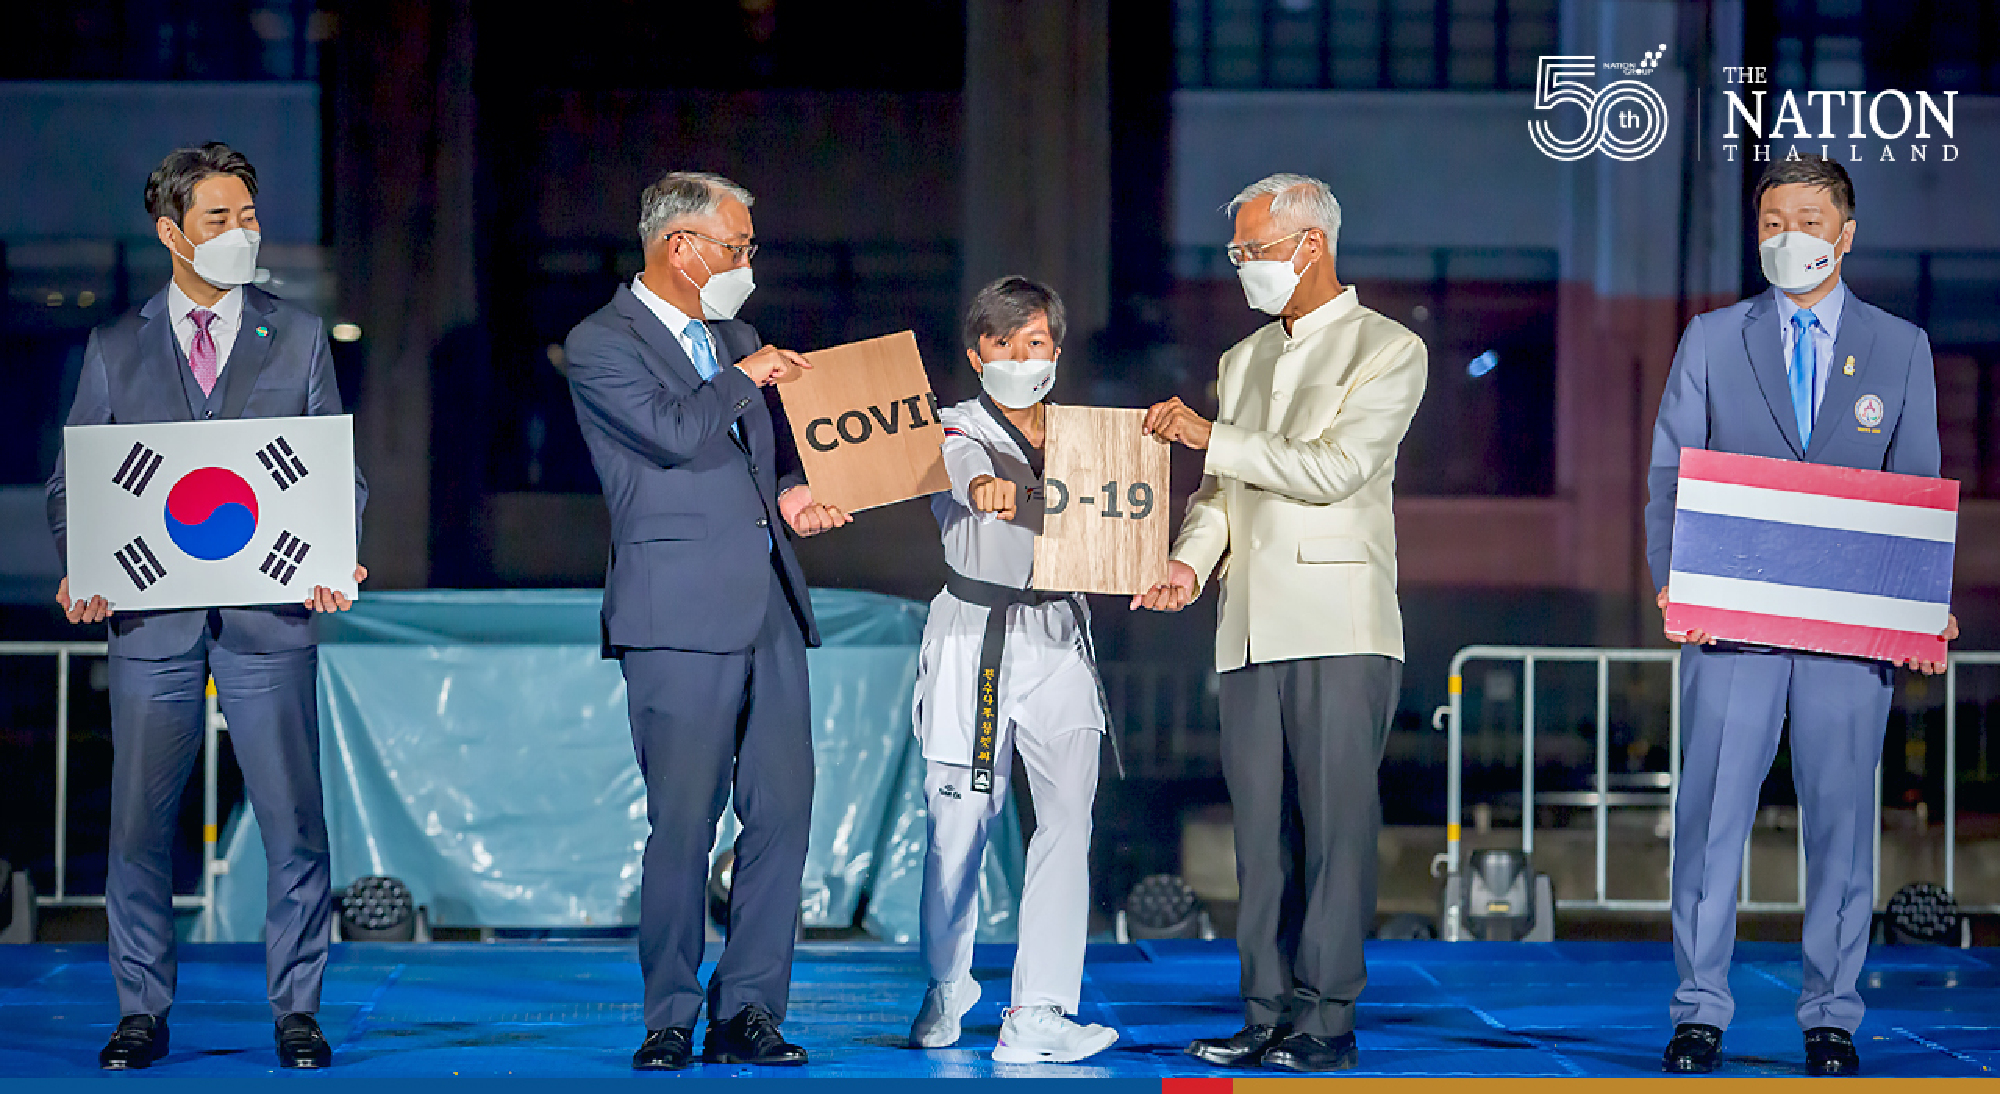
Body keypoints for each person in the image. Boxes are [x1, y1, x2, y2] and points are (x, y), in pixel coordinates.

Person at [46, 142, 368, 1071]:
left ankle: (297, 1009)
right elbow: (75, 484)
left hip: (271, 619)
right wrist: (82, 565)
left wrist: (336, 556)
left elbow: (331, 470)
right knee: (140, 827)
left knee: (294, 821)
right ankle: (142, 1009)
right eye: (219, 219)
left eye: (250, 217)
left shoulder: (298, 335)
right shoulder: (116, 347)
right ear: (171, 233)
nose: (241, 235)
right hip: (151, 623)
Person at [1646, 154, 1953, 1078]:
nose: (1791, 236)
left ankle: (1832, 1017)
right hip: (1730, 628)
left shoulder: (1901, 349)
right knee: (1708, 822)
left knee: (1841, 824)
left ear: (1846, 234)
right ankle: (1699, 1011)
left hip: (1846, 640)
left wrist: (1923, 610)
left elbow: (1916, 490)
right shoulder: (1711, 339)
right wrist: (1675, 582)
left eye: (1810, 220)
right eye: (1774, 220)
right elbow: (1671, 471)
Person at [1136, 173, 1426, 1073]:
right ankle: (1264, 1011)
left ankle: (1326, 1020)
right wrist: (1189, 558)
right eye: (1237, 254)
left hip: (1340, 621)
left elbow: (1337, 468)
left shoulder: (1388, 349)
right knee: (1259, 834)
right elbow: (1224, 491)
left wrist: (1209, 440)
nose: (1243, 270)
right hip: (1250, 622)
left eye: (1252, 251)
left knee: (1335, 827)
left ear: (1311, 245)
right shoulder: (1244, 358)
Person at [563, 171, 849, 1072]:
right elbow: (674, 433)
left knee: (782, 814)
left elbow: (743, 467)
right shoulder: (601, 342)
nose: (747, 265)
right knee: (684, 824)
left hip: (766, 597)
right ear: (680, 247)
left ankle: (751, 1009)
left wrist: (794, 497)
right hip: (674, 610)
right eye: (737, 247)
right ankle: (671, 1014)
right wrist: (742, 375)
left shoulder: (737, 336)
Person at [905, 276, 1119, 1065]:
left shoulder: (1087, 439)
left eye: (1035, 344)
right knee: (958, 830)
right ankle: (947, 983)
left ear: (1056, 352)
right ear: (976, 353)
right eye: (1004, 344)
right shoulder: (953, 425)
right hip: (974, 637)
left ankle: (1039, 1013)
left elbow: (1121, 507)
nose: (1021, 358)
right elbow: (957, 465)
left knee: (1068, 821)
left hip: (1060, 635)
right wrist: (985, 486)